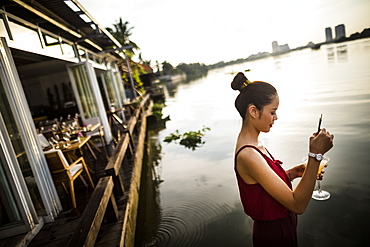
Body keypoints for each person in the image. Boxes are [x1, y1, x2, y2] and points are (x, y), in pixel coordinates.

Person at [231, 72, 334, 246]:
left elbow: (262, 187)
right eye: (273, 112)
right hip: (273, 238)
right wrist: (315, 156)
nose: (276, 118)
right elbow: (297, 205)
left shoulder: (254, 144)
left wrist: (294, 173)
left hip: (283, 231)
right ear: (253, 111)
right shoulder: (248, 154)